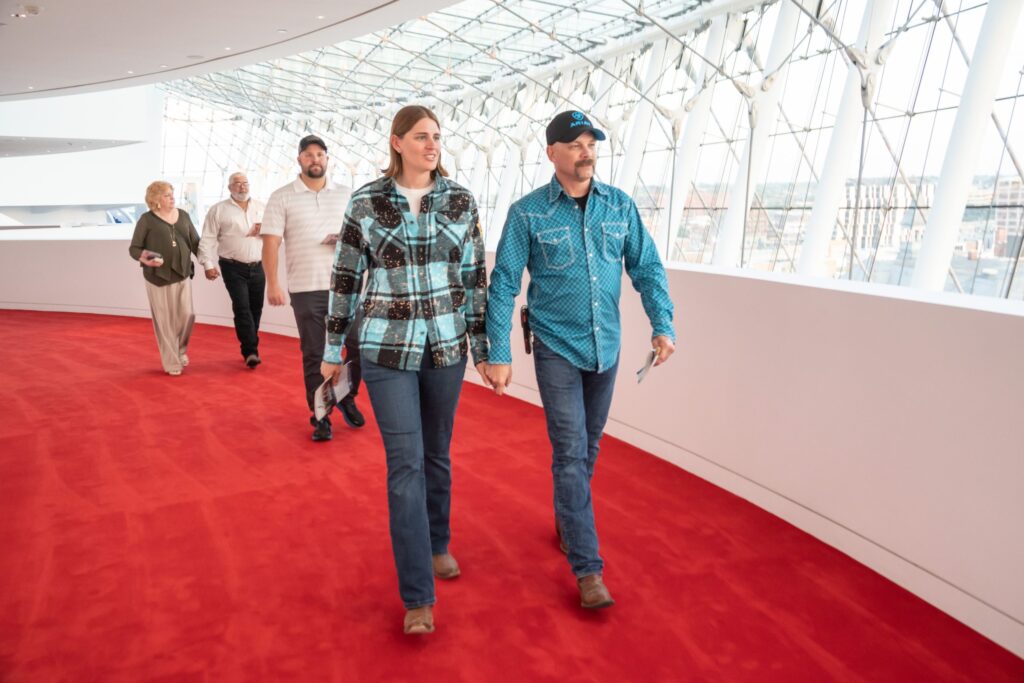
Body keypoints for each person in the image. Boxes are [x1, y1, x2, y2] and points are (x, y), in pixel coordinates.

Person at [486, 110, 676, 610]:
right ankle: (588, 569)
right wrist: (498, 352)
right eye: (575, 144)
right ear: (552, 153)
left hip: (606, 348)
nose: (586, 151)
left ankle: (568, 517)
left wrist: (663, 325)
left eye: (591, 142)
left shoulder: (619, 206)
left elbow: (647, 268)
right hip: (555, 348)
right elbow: (504, 283)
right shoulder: (528, 213)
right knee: (569, 451)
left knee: (588, 447)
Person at [320, 105, 490, 635]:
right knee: (405, 465)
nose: (432, 145)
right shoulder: (366, 201)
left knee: (436, 455)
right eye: (421, 137)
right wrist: (332, 347)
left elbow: (474, 277)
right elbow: (346, 276)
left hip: (446, 348)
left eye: (437, 136)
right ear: (397, 143)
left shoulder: (460, 199)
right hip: (385, 350)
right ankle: (418, 594)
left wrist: (483, 348)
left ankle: (437, 543)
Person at [262, 134, 364, 440]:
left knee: (357, 346)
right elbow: (271, 242)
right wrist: (273, 283)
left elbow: (364, 236)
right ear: (299, 160)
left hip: (347, 287)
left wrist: (345, 239)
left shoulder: (347, 194)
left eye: (320, 154)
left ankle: (346, 397)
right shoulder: (281, 196)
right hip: (306, 288)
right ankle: (320, 414)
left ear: (327, 159)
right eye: (308, 155)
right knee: (315, 353)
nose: (315, 159)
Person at [128, 181, 201, 376]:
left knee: (187, 315)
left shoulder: (183, 215)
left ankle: (181, 350)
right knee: (165, 321)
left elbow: (195, 242)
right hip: (157, 278)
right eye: (167, 195)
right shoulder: (146, 220)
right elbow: (134, 249)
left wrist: (207, 263)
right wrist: (149, 258)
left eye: (172, 194)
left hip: (182, 273)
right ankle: (171, 362)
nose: (172, 197)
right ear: (156, 200)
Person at [198, 172, 266, 368]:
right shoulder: (218, 210)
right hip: (232, 267)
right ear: (229, 188)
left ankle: (251, 344)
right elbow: (208, 239)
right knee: (242, 307)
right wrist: (208, 265)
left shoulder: (262, 207)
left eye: (245, 183)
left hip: (258, 266)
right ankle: (251, 351)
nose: (242, 187)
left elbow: (274, 236)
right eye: (237, 183)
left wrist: (265, 233)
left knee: (256, 309)